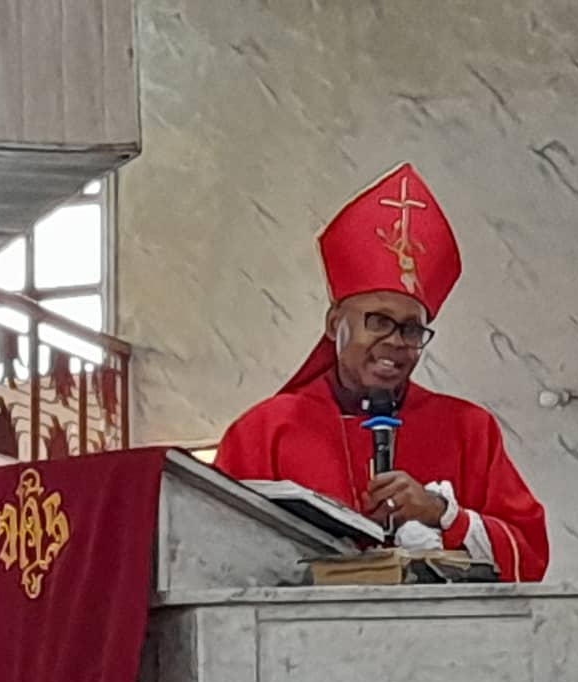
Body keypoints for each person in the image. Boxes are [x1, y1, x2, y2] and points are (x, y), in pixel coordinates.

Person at [215, 163, 548, 582]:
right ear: (335, 323)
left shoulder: (468, 429)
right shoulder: (264, 432)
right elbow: (217, 558)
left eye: (411, 328)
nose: (395, 341)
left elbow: (530, 556)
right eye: (377, 320)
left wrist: (445, 514)